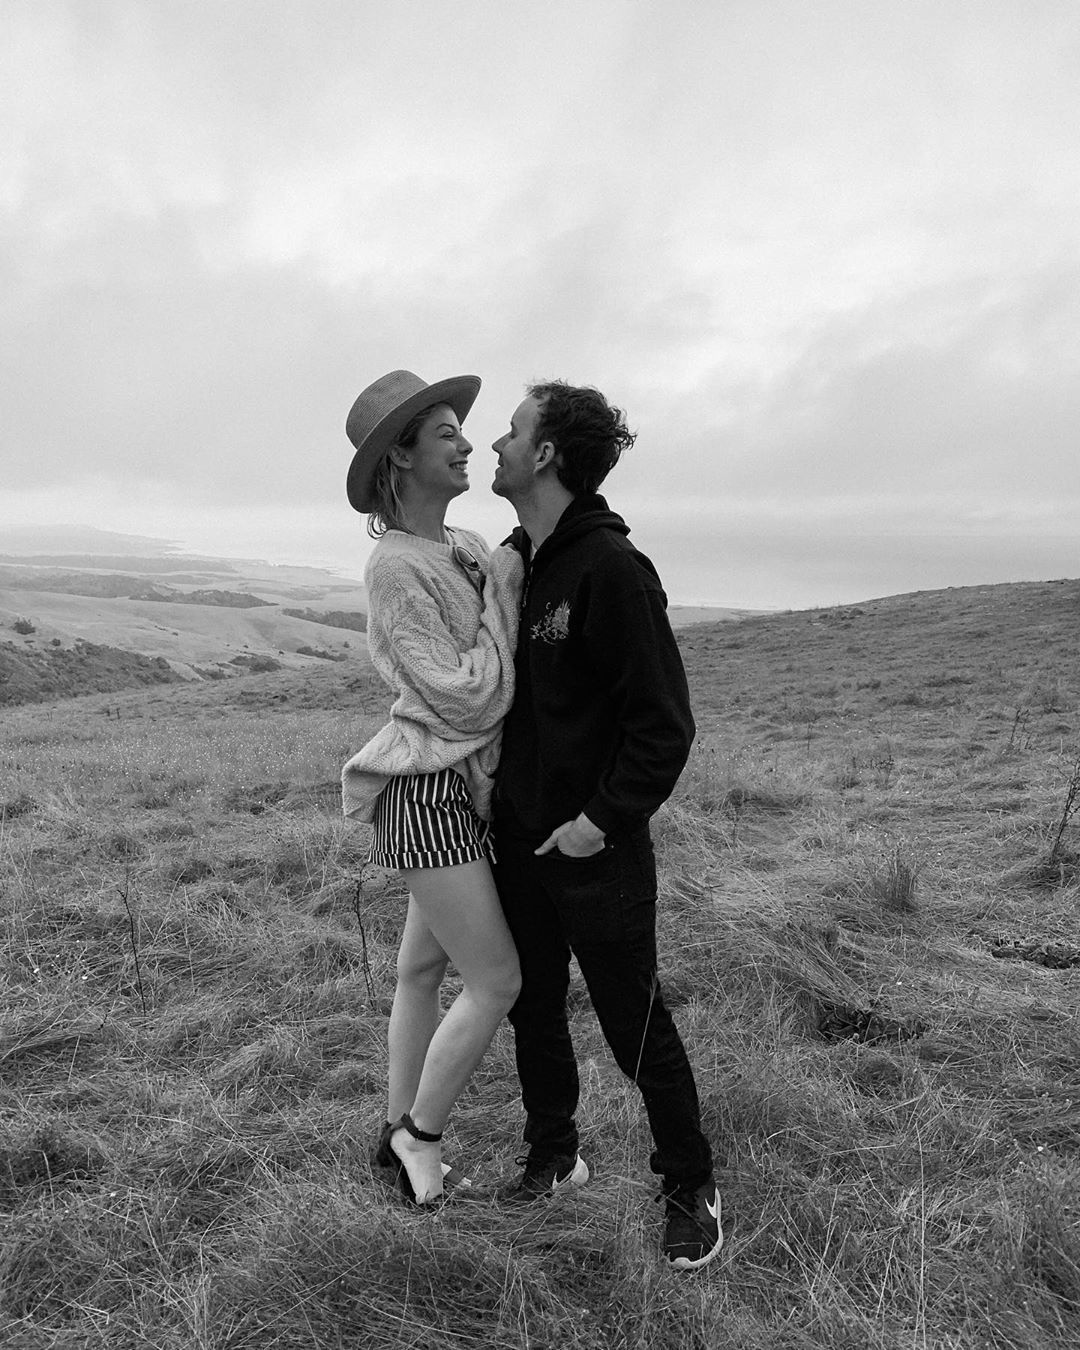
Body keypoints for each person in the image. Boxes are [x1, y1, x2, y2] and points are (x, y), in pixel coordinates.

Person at [488, 380, 722, 1270]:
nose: (497, 444)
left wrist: (597, 822)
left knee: (634, 1020)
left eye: (512, 431)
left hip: (594, 852)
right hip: (518, 840)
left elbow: (663, 726)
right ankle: (555, 1156)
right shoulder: (521, 563)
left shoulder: (611, 570)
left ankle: (690, 1185)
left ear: (546, 454)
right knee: (533, 1007)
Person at [340, 369, 523, 1207]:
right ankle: (422, 1137)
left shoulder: (470, 546)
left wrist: (501, 586)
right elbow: (464, 696)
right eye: (446, 433)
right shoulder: (394, 569)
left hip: (456, 788)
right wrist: (501, 610)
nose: (467, 443)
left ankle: (391, 1133)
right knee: (497, 981)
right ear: (402, 458)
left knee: (419, 972)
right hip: (424, 793)